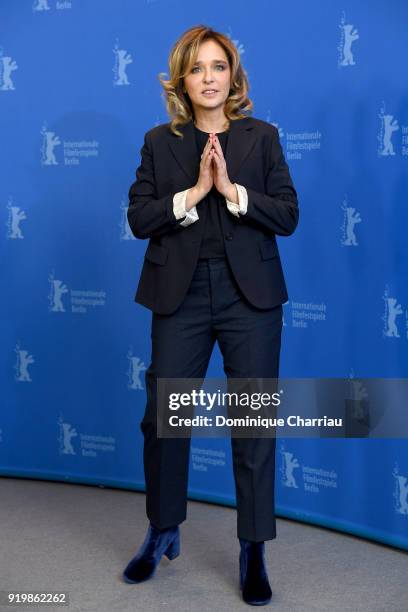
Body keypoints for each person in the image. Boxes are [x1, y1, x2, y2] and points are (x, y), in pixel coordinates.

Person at [123, 24, 299, 606]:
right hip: (182, 297)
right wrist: (197, 192)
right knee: (164, 418)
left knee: (253, 425)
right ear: (181, 79)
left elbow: (287, 215)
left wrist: (231, 189)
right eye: (197, 68)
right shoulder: (159, 142)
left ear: (233, 76)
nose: (208, 78)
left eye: (218, 67)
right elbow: (139, 219)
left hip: (251, 299)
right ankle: (163, 527)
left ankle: (253, 547)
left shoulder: (263, 139)